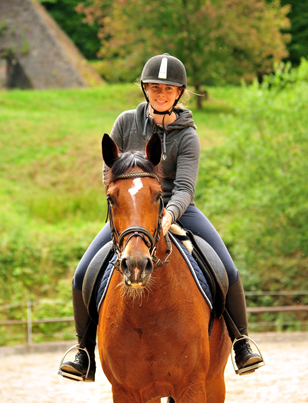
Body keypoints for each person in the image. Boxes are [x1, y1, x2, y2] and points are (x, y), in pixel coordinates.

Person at [60, 53, 264, 382]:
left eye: (167, 89)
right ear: (145, 89)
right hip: (134, 211)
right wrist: (124, 201)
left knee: (226, 268)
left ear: (179, 93)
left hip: (176, 208)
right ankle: (83, 351)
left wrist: (169, 214)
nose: (160, 93)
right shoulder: (125, 122)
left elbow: (184, 187)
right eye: (154, 87)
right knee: (82, 272)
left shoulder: (188, 136)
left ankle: (242, 342)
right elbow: (109, 170)